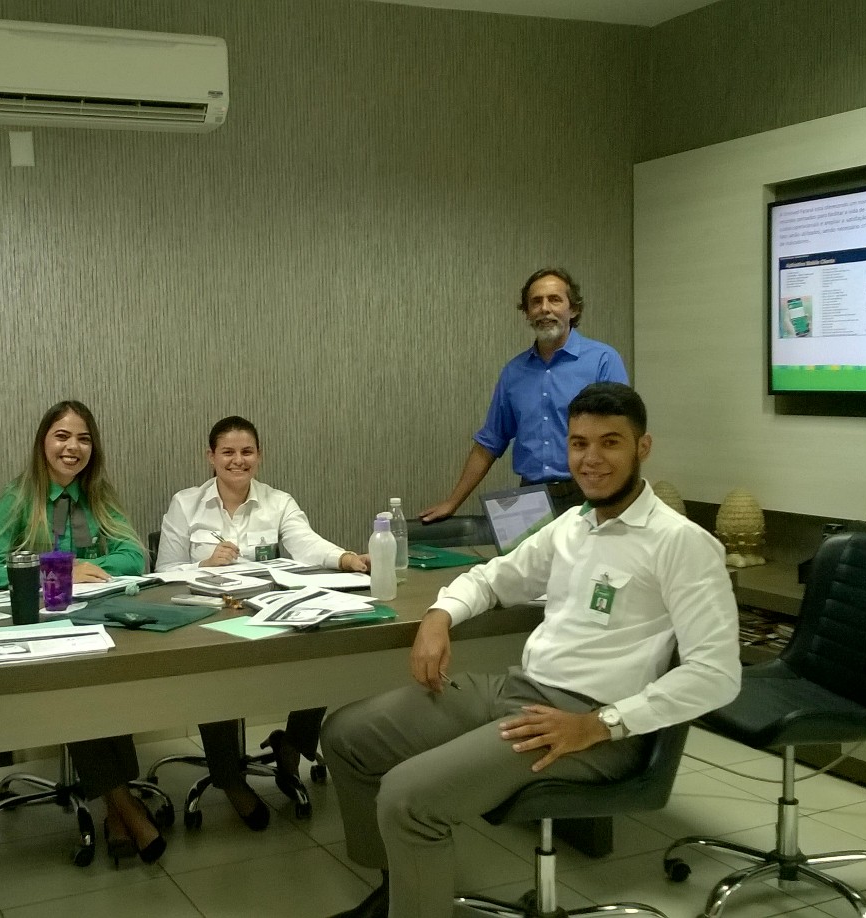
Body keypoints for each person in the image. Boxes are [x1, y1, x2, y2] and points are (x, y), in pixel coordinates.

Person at [323, 383, 740, 918]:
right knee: (347, 735)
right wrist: (438, 616)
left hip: (592, 723)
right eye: (579, 443)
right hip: (521, 690)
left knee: (408, 798)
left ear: (643, 447)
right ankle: (399, 889)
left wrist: (601, 724)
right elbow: (493, 578)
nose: (591, 459)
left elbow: (716, 674)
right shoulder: (573, 525)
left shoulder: (682, 543)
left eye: (610, 442)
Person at [155, 416, 369, 830]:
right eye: (228, 452)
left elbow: (307, 544)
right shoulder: (185, 504)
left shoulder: (278, 502)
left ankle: (292, 744)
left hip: (265, 613)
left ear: (260, 456)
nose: (238, 460)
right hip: (207, 616)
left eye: (247, 452)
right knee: (213, 674)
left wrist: (345, 558)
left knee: (319, 648)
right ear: (211, 457)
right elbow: (162, 571)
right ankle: (229, 779)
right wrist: (204, 564)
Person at [0, 400, 161, 863]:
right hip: (39, 627)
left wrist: (85, 568)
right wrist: (58, 569)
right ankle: (123, 805)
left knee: (109, 685)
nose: (72, 447)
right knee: (79, 689)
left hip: (99, 618)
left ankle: (117, 806)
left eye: (83, 438)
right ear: (43, 441)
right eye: (62, 436)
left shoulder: (98, 494)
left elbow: (134, 557)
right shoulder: (20, 497)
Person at [419, 268, 628, 523]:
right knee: (525, 553)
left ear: (573, 309)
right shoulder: (514, 372)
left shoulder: (603, 360)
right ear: (527, 313)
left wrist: (620, 499)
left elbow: (621, 437)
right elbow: (489, 442)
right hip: (530, 498)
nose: (544, 308)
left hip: (588, 493)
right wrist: (452, 502)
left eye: (554, 299)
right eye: (536, 302)